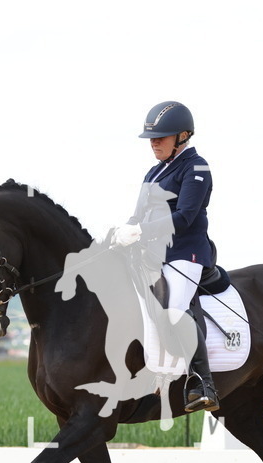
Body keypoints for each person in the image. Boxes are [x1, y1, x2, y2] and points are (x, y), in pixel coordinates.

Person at [112, 101, 219, 412]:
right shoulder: (154, 171)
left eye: (161, 137)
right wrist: (123, 234)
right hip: (152, 255)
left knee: (173, 309)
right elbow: (138, 216)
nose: (154, 143)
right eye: (151, 138)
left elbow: (185, 216)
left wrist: (141, 231)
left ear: (183, 136)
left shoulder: (196, 168)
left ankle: (202, 381)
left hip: (186, 253)